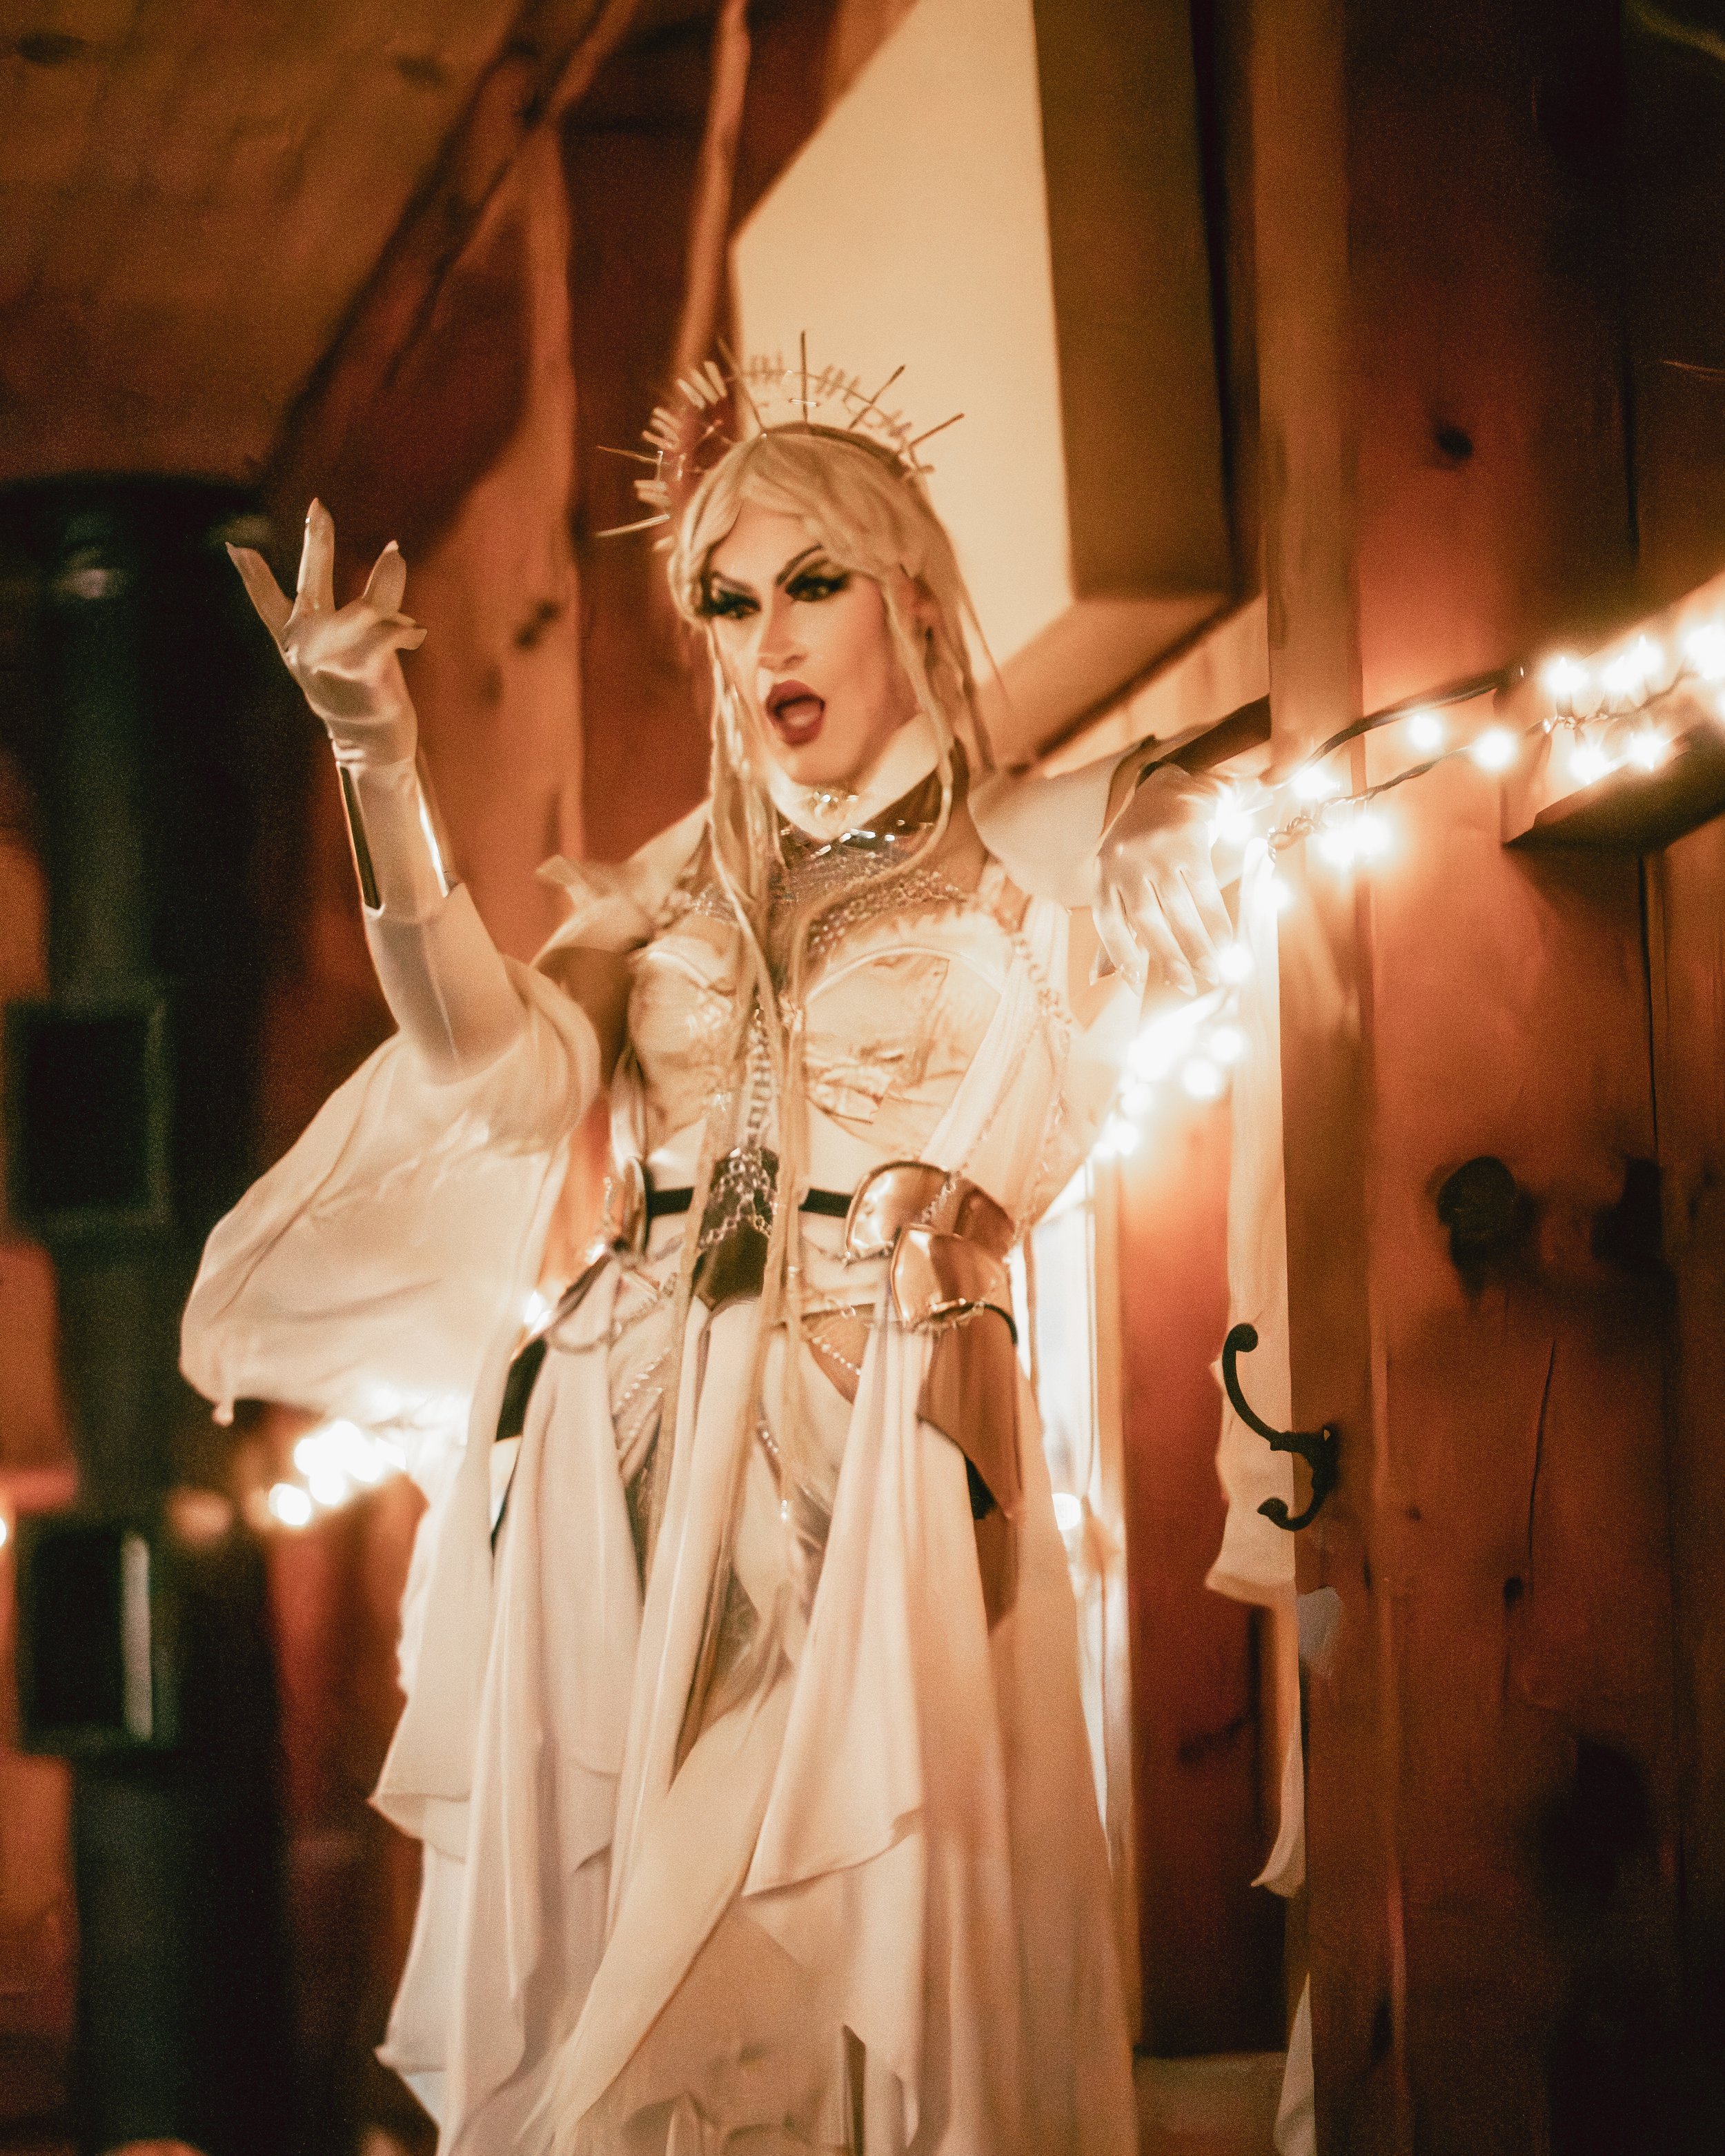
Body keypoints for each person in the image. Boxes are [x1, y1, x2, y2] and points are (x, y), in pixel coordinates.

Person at [183, 414, 1232, 2155]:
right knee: (620, 1949)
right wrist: (379, 762)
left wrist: (1165, 805)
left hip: (874, 1435)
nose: (768, 638)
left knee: (819, 1938)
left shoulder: (1016, 837)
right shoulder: (665, 887)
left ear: (908, 594)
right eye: (727, 602)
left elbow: (1159, 797)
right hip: (616, 1461)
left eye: (810, 583)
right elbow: (489, 1065)